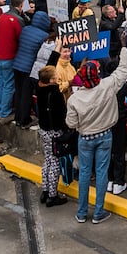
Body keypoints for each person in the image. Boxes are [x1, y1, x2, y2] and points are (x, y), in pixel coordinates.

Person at [64, 49, 127, 224]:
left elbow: (71, 124)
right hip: (105, 135)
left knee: (85, 174)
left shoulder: (74, 99)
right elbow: (124, 70)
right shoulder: (107, 86)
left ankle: (81, 212)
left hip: (85, 138)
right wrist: (123, 49)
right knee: (102, 173)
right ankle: (98, 212)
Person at [35, 65, 70, 207]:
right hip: (54, 131)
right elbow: (62, 114)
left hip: (43, 129)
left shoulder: (39, 88)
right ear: (51, 79)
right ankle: (52, 195)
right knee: (55, 161)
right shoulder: (55, 94)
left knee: (48, 159)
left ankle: (45, 190)